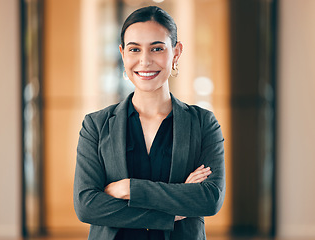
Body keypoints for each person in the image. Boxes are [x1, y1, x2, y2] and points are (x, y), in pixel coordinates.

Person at [74, 6, 225, 240]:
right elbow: (87, 205)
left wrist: (128, 189)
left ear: (176, 53)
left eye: (157, 48)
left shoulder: (204, 124)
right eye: (135, 49)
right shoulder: (95, 125)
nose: (145, 60)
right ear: (123, 54)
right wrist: (174, 209)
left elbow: (209, 198)